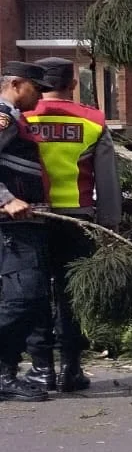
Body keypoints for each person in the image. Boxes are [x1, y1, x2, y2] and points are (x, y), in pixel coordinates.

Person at [23, 57, 121, 393]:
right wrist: (110, 225)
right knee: (72, 295)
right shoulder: (92, 120)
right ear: (72, 84)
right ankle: (71, 368)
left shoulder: (20, 117)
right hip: (77, 218)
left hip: (30, 219)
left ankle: (41, 369)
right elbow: (107, 181)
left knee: (33, 293)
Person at [0, 61, 55, 402]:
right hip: (12, 226)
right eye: (37, 89)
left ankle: (6, 374)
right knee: (23, 297)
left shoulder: (16, 120)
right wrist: (6, 199)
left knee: (28, 299)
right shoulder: (3, 118)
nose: (41, 97)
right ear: (18, 84)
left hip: (25, 225)